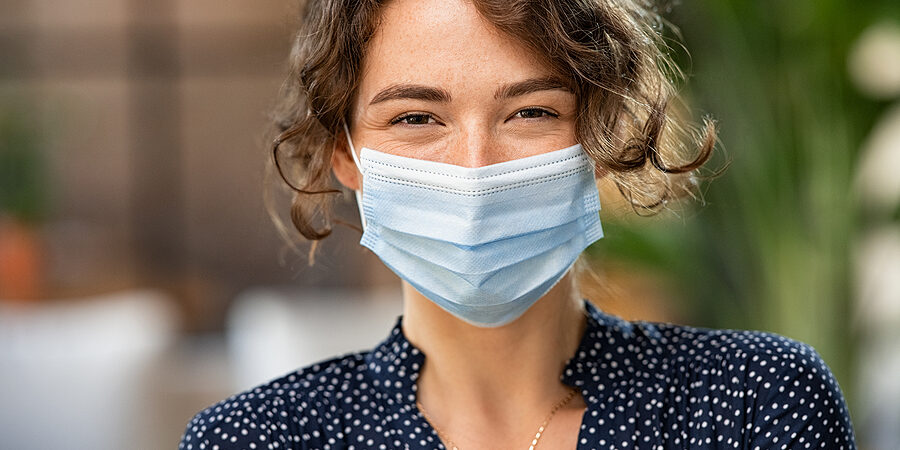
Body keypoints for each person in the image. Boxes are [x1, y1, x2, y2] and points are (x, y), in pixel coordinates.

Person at [180, 0, 857, 448]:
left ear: (602, 138)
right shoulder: (252, 439)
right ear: (345, 156)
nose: (475, 170)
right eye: (416, 118)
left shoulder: (755, 403)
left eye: (530, 112)